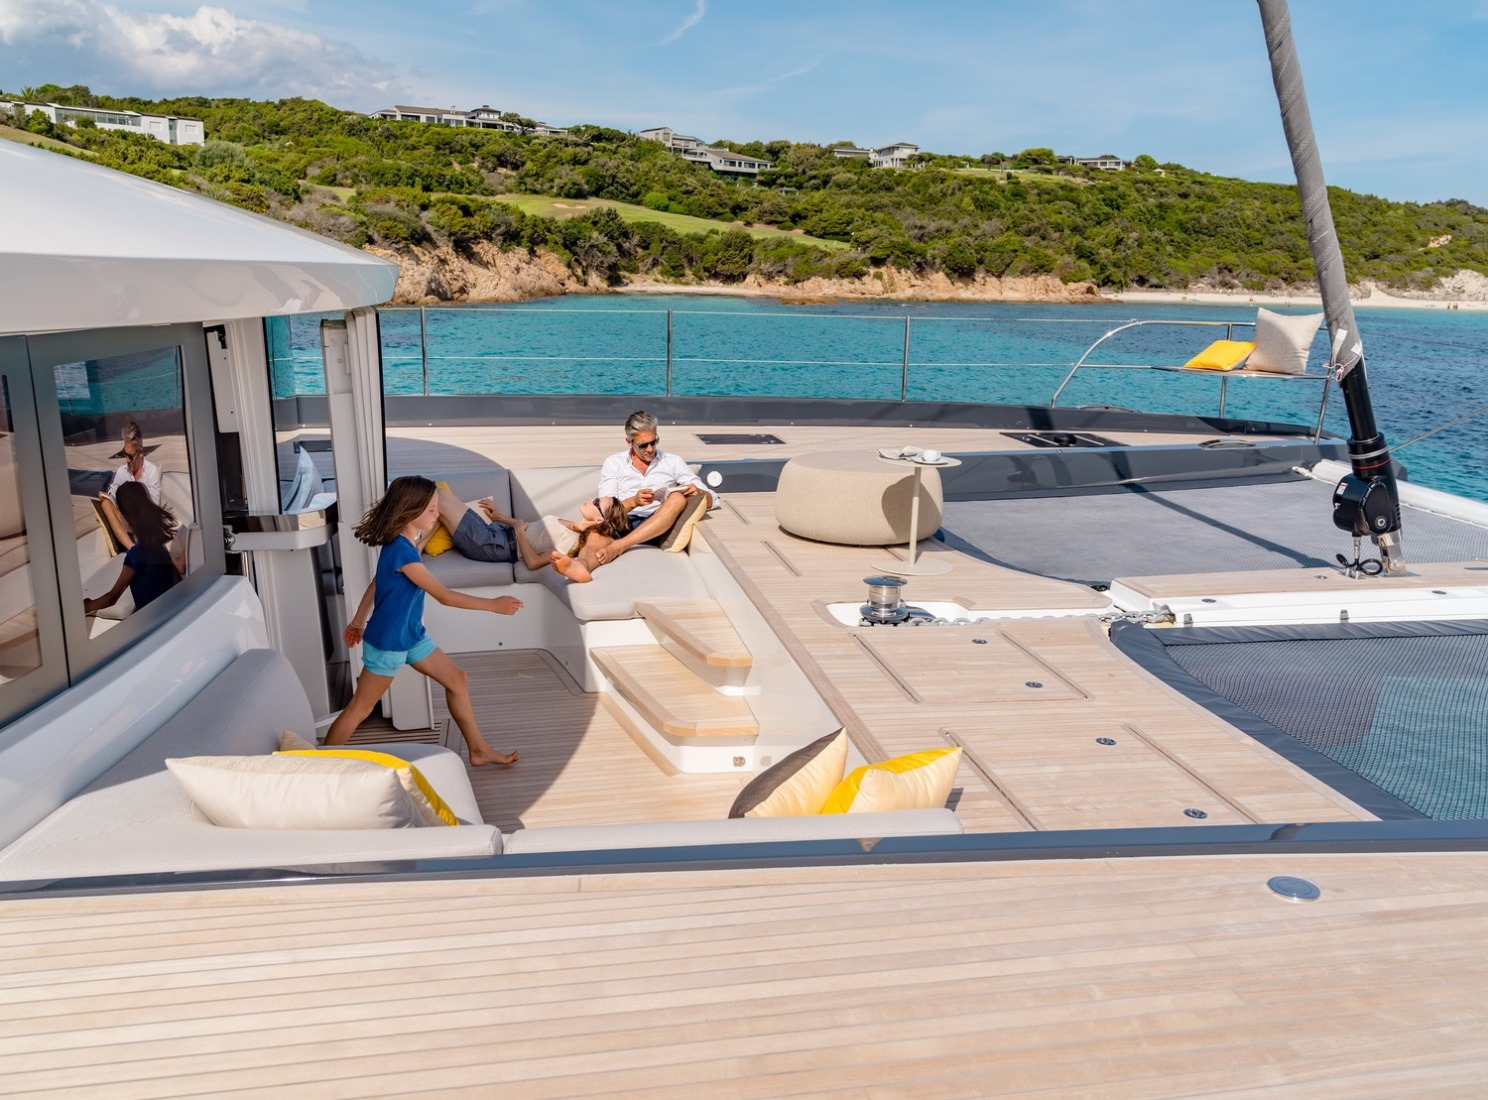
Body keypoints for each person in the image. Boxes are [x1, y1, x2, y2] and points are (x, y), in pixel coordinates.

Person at [325, 475, 523, 766]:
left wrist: (357, 621)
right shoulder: (402, 553)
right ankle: (321, 766)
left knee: (457, 679)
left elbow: (377, 583)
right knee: (360, 709)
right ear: (410, 512)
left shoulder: (401, 544)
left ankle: (479, 750)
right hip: (389, 642)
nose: (437, 513)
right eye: (431, 510)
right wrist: (493, 605)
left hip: (411, 636)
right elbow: (443, 595)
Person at [433, 483, 628, 584]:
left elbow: (533, 562)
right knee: (437, 495)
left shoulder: (571, 541)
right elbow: (526, 526)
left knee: (437, 495)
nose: (591, 499)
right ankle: (416, 547)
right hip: (497, 531)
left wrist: (518, 532)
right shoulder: (571, 525)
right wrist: (499, 517)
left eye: (596, 503)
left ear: (599, 520)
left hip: (493, 545)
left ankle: (415, 547)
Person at [595, 410, 716, 564]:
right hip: (622, 523)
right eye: (643, 445)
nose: (650, 449)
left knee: (677, 498)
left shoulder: (672, 462)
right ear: (629, 442)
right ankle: (580, 566)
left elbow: (712, 499)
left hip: (657, 526)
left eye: (654, 442)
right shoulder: (614, 463)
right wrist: (634, 501)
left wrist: (699, 492)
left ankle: (620, 546)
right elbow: (606, 510)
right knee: (594, 536)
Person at [83, 481, 180, 615]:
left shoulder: (135, 556)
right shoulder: (160, 546)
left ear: (125, 516)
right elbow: (176, 580)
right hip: (168, 613)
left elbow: (112, 598)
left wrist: (88, 605)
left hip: (149, 620)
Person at [98, 420, 164, 550]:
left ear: (141, 453)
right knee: (105, 503)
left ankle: (137, 548)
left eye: (131, 456)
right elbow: (112, 495)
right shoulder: (122, 472)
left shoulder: (151, 472)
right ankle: (132, 548)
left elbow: (153, 506)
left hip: (145, 526)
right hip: (127, 524)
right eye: (125, 454)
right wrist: (106, 496)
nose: (127, 460)